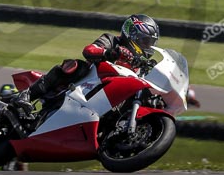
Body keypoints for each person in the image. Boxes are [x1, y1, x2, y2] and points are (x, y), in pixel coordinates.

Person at [13, 14, 160, 110]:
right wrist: (111, 52)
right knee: (76, 66)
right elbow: (89, 50)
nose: (147, 46)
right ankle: (27, 94)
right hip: (86, 83)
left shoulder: (139, 65)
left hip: (105, 101)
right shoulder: (112, 40)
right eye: (145, 41)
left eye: (150, 43)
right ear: (132, 35)